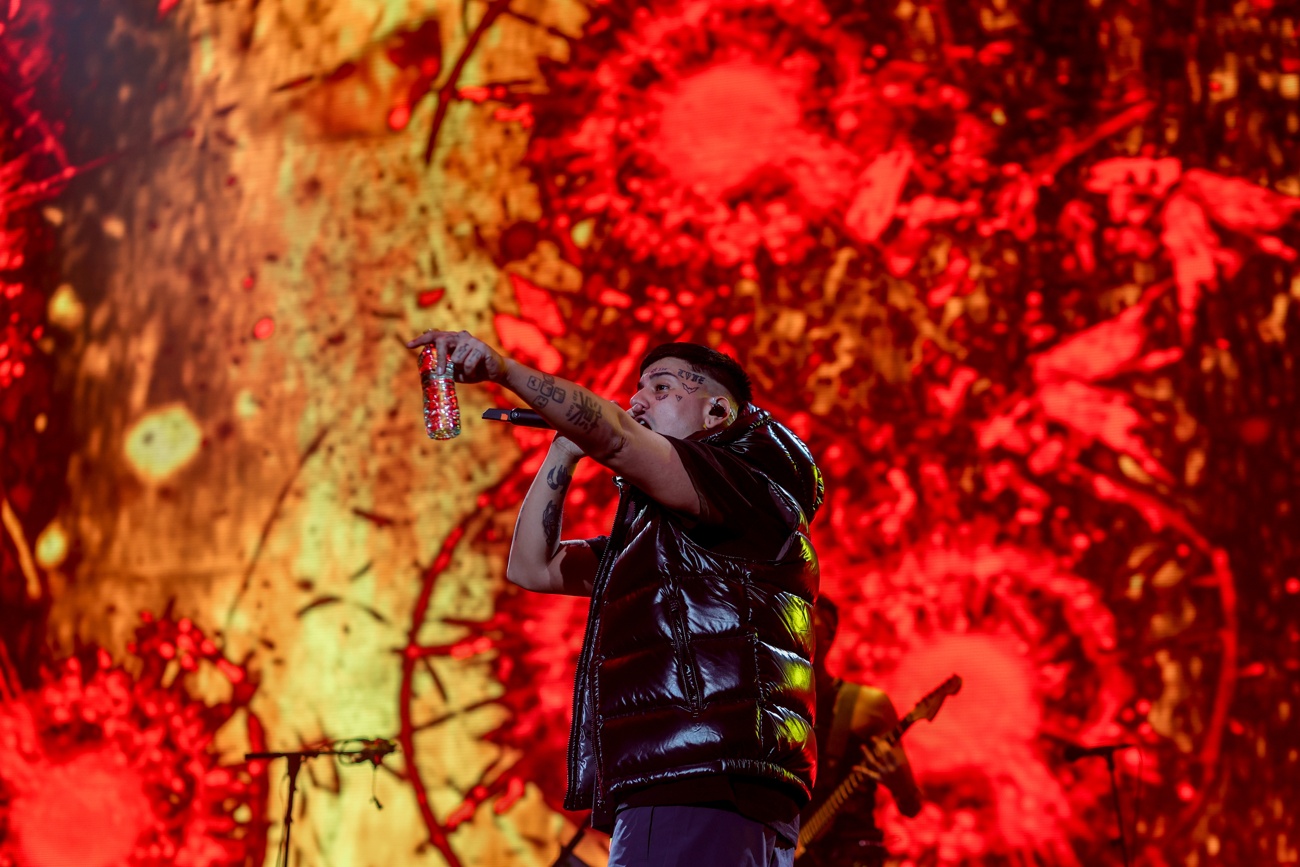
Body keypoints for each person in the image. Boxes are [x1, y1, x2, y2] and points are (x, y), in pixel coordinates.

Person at [406, 329, 823, 867]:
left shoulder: (741, 481)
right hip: (717, 782)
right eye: (638, 389)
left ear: (716, 411)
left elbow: (619, 437)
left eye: (662, 387)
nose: (637, 401)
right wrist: (564, 448)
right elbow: (533, 566)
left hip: (694, 774)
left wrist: (504, 371)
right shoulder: (666, 536)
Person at [798, 596, 922, 867]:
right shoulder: (766, 706)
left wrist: (898, 783)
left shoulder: (868, 706)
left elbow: (911, 806)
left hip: (850, 856)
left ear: (829, 633)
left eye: (807, 621)